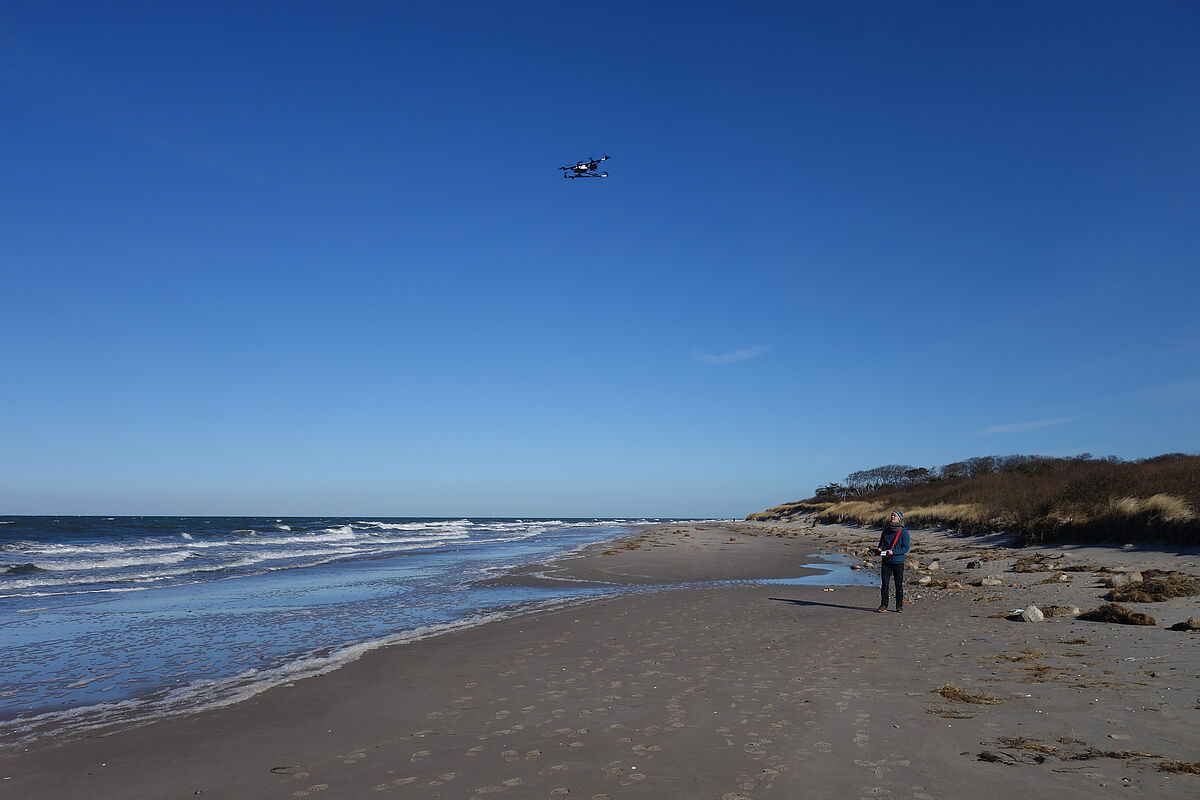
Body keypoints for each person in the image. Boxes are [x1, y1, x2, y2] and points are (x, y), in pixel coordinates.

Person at [876, 510, 910, 612]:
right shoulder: (886, 531)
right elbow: (881, 544)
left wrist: (894, 551)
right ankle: (883, 605)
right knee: (885, 584)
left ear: (899, 518)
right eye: (892, 515)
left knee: (898, 584)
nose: (892, 517)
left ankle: (899, 606)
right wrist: (879, 549)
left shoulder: (904, 532)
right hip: (886, 561)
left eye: (894, 515)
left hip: (898, 562)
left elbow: (906, 548)